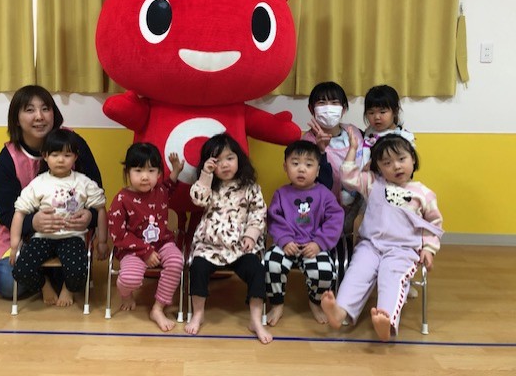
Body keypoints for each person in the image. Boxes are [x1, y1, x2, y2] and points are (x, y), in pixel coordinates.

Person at [321, 129, 444, 341]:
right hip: (370, 245)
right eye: (387, 163)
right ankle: (340, 312)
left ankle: (386, 320)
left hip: (402, 250)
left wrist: (429, 249)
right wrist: (353, 149)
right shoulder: (373, 183)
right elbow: (348, 177)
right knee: (357, 273)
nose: (396, 166)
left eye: (401, 159)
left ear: (413, 159)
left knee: (391, 277)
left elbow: (434, 225)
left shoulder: (423, 193)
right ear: (377, 167)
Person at [0, 85, 104, 300]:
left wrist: (90, 216)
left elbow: (97, 191)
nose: (39, 116)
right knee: (8, 284)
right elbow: (6, 212)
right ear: (16, 119)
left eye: (45, 108)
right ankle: (45, 279)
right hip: (27, 234)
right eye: (30, 110)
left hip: (70, 232)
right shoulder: (7, 158)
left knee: (73, 276)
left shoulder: (73, 143)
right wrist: (33, 222)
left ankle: (57, 274)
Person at [184, 133, 272, 344]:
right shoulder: (209, 186)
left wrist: (251, 235)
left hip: (240, 247)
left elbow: (258, 213)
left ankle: (255, 320)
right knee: (198, 268)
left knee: (257, 271)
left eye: (230, 158)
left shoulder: (250, 187)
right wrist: (206, 175)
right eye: (218, 161)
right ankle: (198, 313)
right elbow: (198, 199)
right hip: (210, 246)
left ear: (239, 159)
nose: (225, 165)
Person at [9, 129, 106, 306]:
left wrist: (102, 241)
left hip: (72, 237)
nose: (61, 160)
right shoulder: (38, 183)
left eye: (67, 155)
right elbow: (19, 211)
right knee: (21, 270)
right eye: (55, 155)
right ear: (45, 156)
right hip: (42, 238)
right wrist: (15, 245)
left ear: (75, 157)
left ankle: (67, 288)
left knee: (79, 272)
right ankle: (44, 285)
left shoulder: (83, 182)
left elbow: (100, 208)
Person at [264, 140, 344, 326]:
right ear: (285, 167)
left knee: (325, 272)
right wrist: (285, 240)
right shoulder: (281, 193)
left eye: (308, 165)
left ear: (317, 170)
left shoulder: (325, 194)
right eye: (295, 163)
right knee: (271, 263)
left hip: (313, 245)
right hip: (287, 244)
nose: (301, 169)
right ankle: (277, 304)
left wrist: (319, 243)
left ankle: (315, 302)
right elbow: (274, 218)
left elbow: (335, 219)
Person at [108, 143, 185, 332]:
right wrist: (145, 251)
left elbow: (170, 185)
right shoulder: (121, 199)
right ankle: (125, 294)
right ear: (128, 172)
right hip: (133, 250)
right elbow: (118, 235)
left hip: (162, 243)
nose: (145, 176)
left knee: (176, 261)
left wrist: (176, 170)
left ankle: (158, 309)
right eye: (138, 170)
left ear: (158, 173)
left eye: (151, 171)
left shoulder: (160, 190)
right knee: (129, 279)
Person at [303, 81, 365, 233]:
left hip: (357, 208)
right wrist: (319, 150)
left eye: (334, 102)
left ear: (343, 109)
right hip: (325, 213)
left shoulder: (354, 132)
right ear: (311, 109)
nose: (328, 108)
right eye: (322, 103)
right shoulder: (306, 142)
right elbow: (307, 182)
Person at [361, 84, 415, 167]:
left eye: (382, 112)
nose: (376, 117)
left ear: (395, 111)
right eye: (371, 113)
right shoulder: (367, 132)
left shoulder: (404, 137)